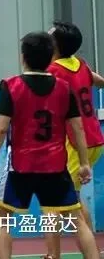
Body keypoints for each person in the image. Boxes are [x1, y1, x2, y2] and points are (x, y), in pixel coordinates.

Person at [0, 32, 99, 259]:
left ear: (23, 57)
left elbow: (1, 129)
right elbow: (78, 128)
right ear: (50, 56)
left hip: (21, 166)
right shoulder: (64, 87)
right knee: (77, 220)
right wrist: (84, 163)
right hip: (55, 166)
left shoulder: (11, 86)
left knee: (2, 219)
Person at [43, 22, 104, 259]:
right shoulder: (80, 64)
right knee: (73, 201)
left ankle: (53, 255)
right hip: (94, 139)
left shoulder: (53, 70)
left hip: (74, 143)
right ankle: (92, 252)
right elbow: (98, 81)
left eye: (49, 36)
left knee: (53, 203)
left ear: (56, 45)